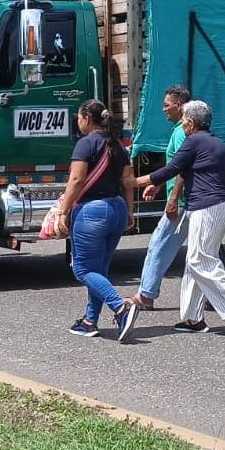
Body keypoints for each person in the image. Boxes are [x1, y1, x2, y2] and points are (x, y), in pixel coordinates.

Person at [136, 100, 225, 337]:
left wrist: (134, 182)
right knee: (197, 260)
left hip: (208, 208)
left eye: (184, 121)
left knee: (198, 260)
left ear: (191, 123)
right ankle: (193, 318)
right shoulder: (216, 142)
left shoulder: (193, 141)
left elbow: (170, 170)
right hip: (221, 205)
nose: (182, 125)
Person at [53, 100, 140, 342]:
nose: (77, 122)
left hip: (92, 212)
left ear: (87, 119)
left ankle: (121, 307)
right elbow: (128, 182)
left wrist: (63, 211)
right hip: (117, 208)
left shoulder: (85, 144)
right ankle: (90, 320)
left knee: (82, 269)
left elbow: (76, 181)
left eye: (79, 117)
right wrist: (130, 212)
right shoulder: (118, 146)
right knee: (99, 269)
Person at [128, 85, 192, 309]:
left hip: (183, 202)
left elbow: (185, 168)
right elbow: (175, 166)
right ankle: (215, 296)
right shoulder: (179, 129)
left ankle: (146, 295)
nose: (164, 110)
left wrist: (173, 200)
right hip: (187, 200)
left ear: (179, 105)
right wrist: (158, 184)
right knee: (203, 253)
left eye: (167, 106)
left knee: (159, 244)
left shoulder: (184, 131)